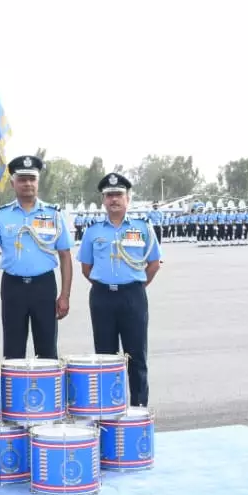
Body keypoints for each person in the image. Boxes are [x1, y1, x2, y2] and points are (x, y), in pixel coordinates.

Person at [0, 155, 73, 360]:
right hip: (13, 287)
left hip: (43, 286)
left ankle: (45, 392)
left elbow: (65, 256)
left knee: (47, 350)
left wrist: (65, 295)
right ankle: (14, 393)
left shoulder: (53, 215)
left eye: (31, 179)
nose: (27, 184)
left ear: (37, 181)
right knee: (13, 350)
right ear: (12, 183)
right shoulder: (1, 215)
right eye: (22, 179)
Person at [77, 172, 162, 407]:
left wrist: (135, 284)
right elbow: (87, 268)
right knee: (105, 357)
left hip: (132, 296)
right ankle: (108, 408)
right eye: (109, 195)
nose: (114, 199)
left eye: (118, 195)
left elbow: (154, 264)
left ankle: (138, 409)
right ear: (103, 200)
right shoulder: (93, 231)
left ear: (128, 198)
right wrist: (107, 285)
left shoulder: (143, 228)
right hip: (102, 296)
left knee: (137, 356)